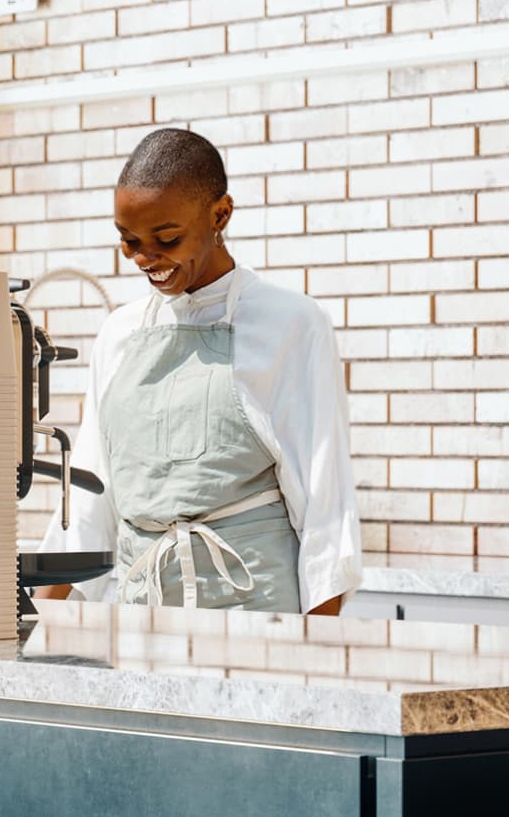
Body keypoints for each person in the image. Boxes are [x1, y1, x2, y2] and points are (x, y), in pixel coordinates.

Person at [62, 127, 358, 616]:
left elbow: (325, 510)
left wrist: (314, 658)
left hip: (257, 615)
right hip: (143, 613)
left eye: (167, 238)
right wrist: (34, 639)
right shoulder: (119, 333)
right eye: (129, 241)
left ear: (220, 214)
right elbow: (88, 503)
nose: (144, 258)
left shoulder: (291, 324)